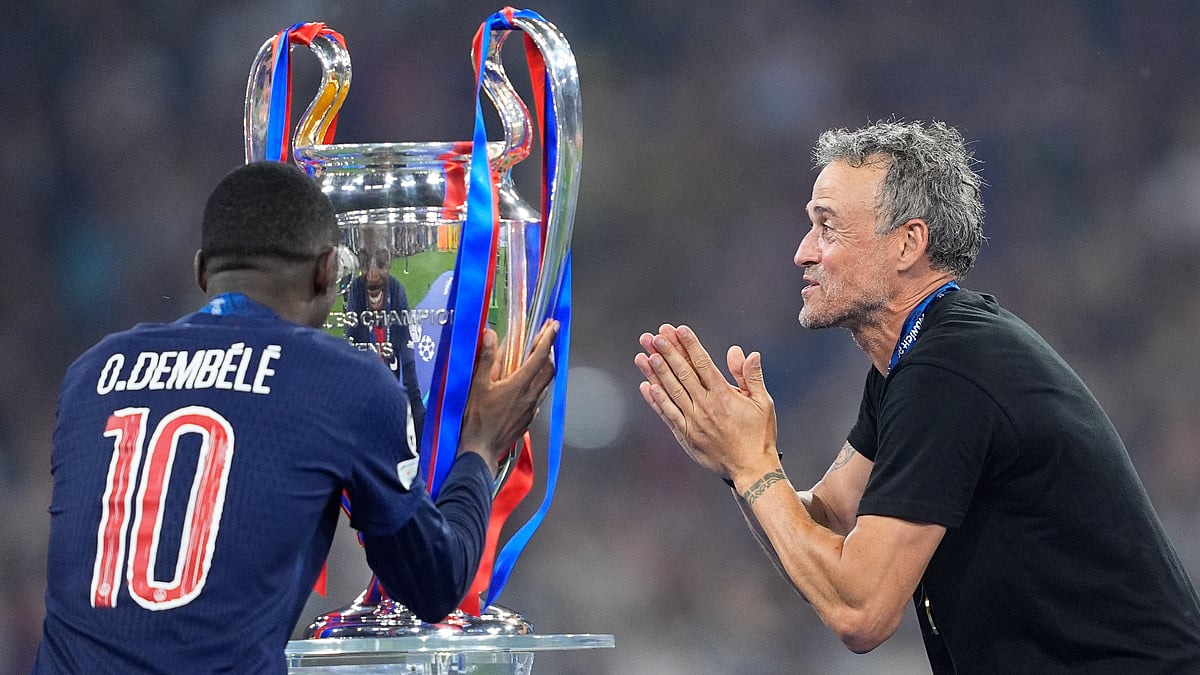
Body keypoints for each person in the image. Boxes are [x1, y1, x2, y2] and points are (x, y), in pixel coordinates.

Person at [635, 120, 1200, 672]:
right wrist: (741, 467)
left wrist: (751, 463)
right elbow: (828, 522)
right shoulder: (915, 359)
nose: (803, 252)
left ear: (908, 243)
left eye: (827, 227)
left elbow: (860, 612)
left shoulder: (949, 370)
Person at [34, 161, 558, 673]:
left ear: (200, 271)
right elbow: (434, 586)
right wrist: (481, 448)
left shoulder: (92, 374)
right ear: (328, 270)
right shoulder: (340, 380)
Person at [343, 224, 426, 436]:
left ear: (389, 259)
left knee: (413, 396)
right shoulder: (355, 289)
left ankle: (422, 450)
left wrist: (411, 395)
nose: (371, 273)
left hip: (393, 357)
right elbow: (355, 342)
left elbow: (404, 343)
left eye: (380, 261)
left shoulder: (396, 288)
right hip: (370, 363)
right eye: (364, 260)